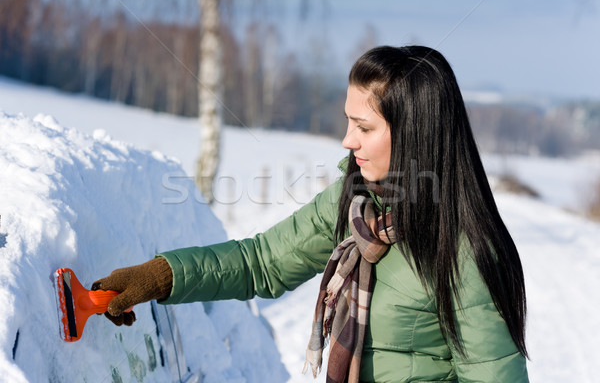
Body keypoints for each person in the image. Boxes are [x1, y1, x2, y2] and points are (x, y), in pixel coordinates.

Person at [92, 45, 529, 382]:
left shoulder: (464, 251)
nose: (347, 141)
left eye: (364, 127)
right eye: (348, 122)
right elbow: (261, 263)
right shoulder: (357, 204)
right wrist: (159, 276)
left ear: (415, 134)